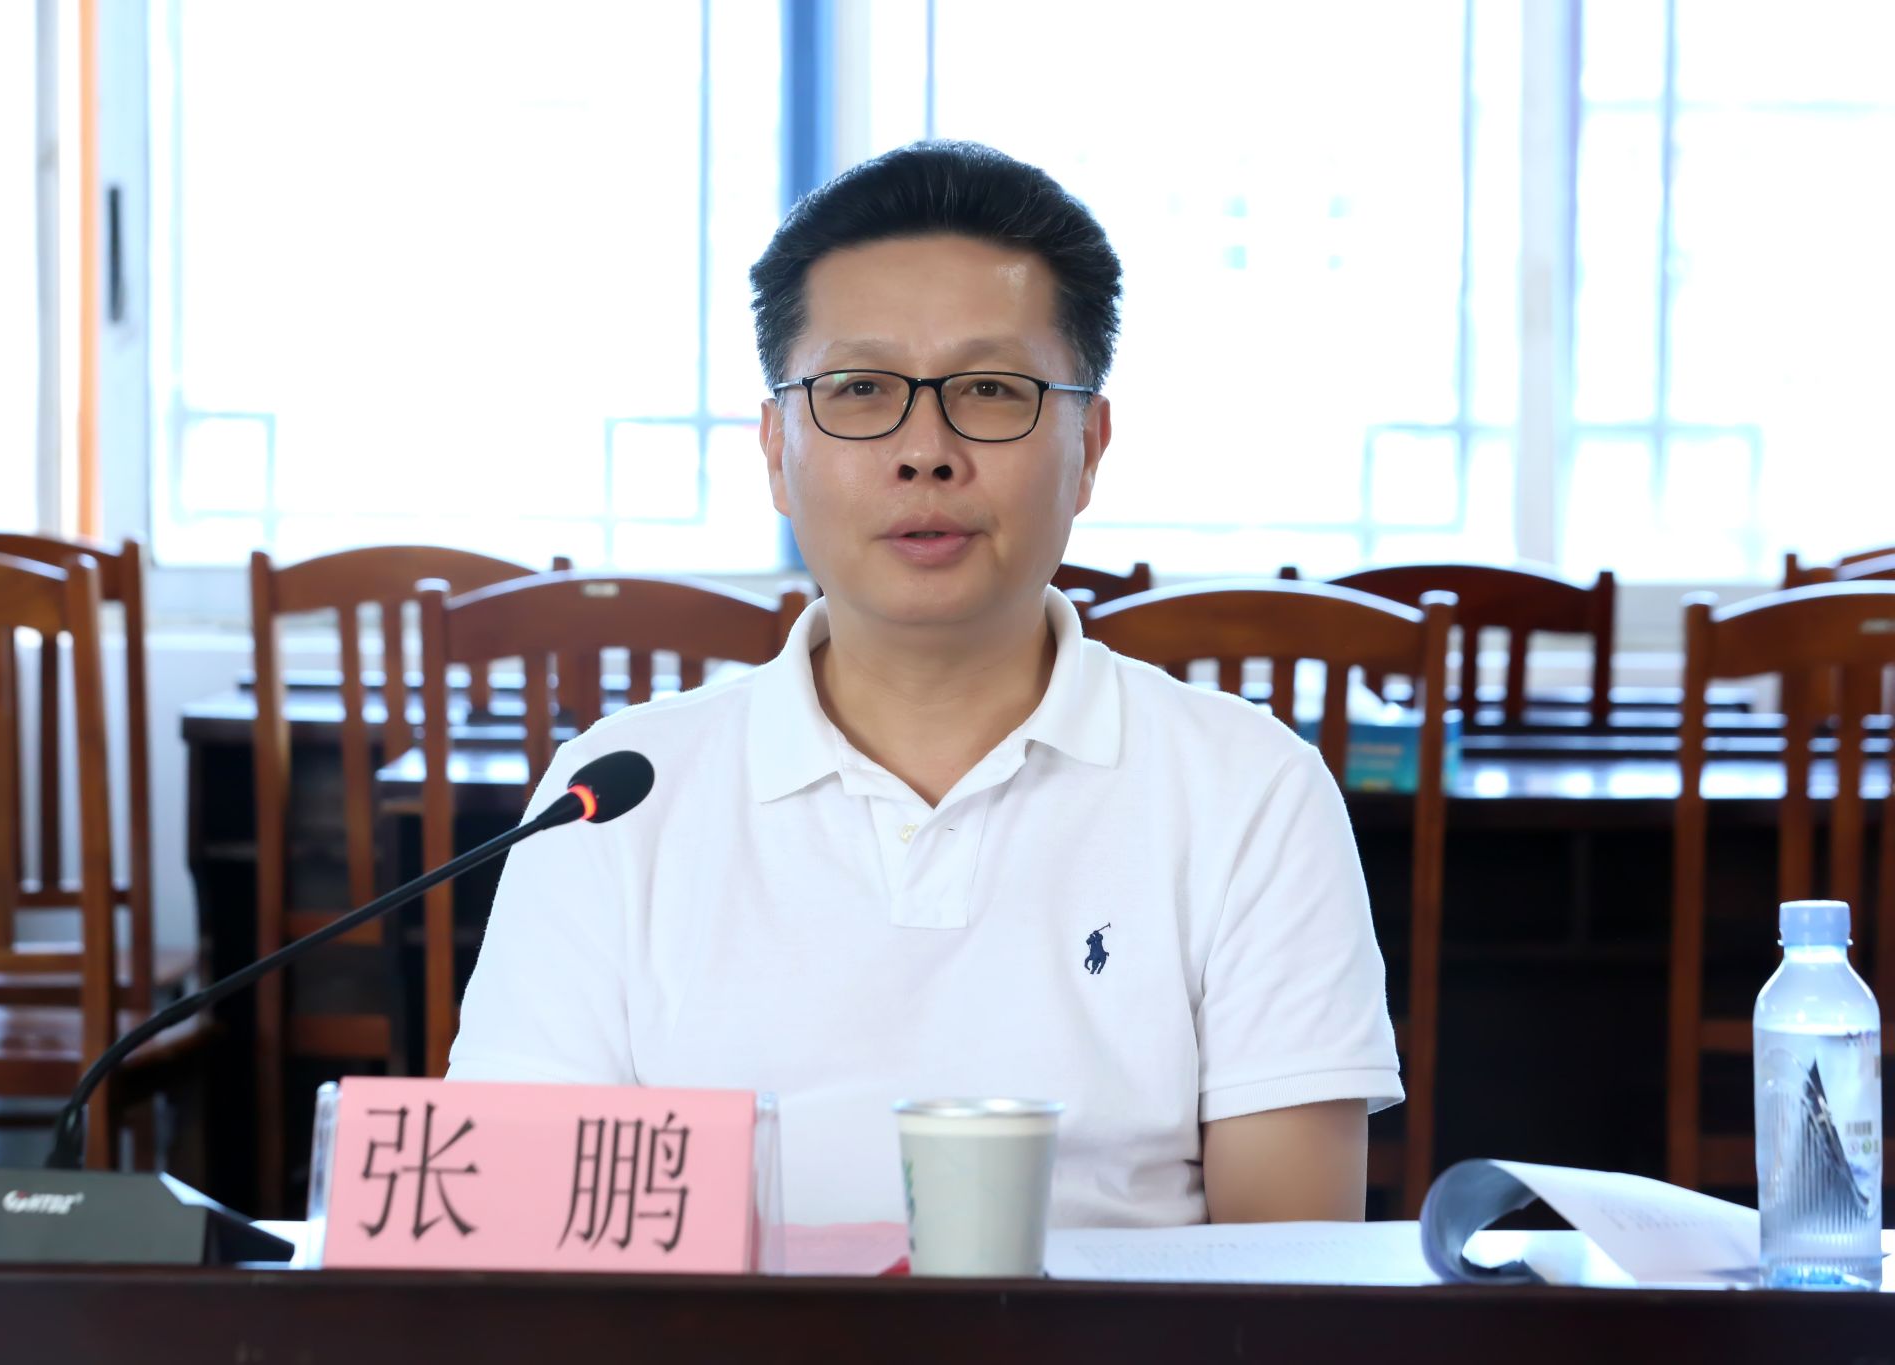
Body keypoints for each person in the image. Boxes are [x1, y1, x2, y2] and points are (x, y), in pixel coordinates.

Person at [450, 141, 1400, 1227]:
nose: (924, 451)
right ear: (775, 446)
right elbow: (519, 1232)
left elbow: (1285, 1272)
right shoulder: (615, 795)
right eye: (860, 390)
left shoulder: (1247, 788)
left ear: (1089, 446)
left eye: (990, 390)